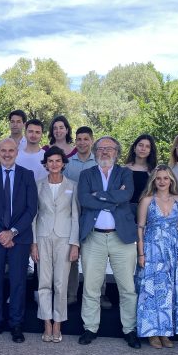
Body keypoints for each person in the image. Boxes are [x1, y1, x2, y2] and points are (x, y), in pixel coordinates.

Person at [77, 136, 140, 349]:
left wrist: (100, 196)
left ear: (117, 152)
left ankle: (129, 330)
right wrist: (113, 196)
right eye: (101, 149)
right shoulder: (86, 175)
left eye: (109, 149)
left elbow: (127, 196)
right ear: (95, 152)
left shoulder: (125, 173)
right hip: (93, 237)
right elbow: (84, 199)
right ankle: (90, 328)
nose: (105, 152)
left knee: (127, 287)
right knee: (91, 286)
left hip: (120, 238)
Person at [0, 138, 37, 343]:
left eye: (11, 150)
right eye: (2, 150)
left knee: (18, 282)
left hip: (19, 239)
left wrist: (12, 232)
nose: (6, 153)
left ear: (17, 152)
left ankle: (16, 324)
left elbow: (32, 209)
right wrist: (0, 234)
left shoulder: (27, 176)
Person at [135, 165, 178, 348]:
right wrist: (141, 253)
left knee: (169, 291)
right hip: (152, 249)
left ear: (171, 180)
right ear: (153, 181)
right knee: (151, 291)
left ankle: (166, 332)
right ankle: (152, 332)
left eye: (166, 178)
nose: (162, 181)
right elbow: (140, 228)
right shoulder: (147, 200)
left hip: (173, 249)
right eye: (158, 178)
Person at [30, 147, 79, 343]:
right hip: (42, 236)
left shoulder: (72, 186)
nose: (54, 164)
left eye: (58, 161)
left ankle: (58, 322)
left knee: (61, 282)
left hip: (64, 238)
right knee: (44, 281)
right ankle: (46, 322)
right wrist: (33, 243)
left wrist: (75, 243)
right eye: (50, 161)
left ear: (63, 163)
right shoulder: (37, 185)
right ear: (46, 164)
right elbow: (33, 216)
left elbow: (76, 216)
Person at [62, 126, 100, 306]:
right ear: (75, 141)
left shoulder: (99, 163)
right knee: (72, 254)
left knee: (95, 256)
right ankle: (71, 294)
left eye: (86, 139)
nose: (82, 142)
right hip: (72, 214)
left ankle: (100, 294)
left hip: (93, 214)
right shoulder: (69, 164)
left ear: (92, 141)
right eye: (79, 139)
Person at [125, 133, 157, 210]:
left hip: (148, 210)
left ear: (150, 151)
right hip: (126, 210)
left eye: (147, 146)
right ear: (134, 148)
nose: (143, 149)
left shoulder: (154, 171)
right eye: (140, 145)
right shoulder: (123, 170)